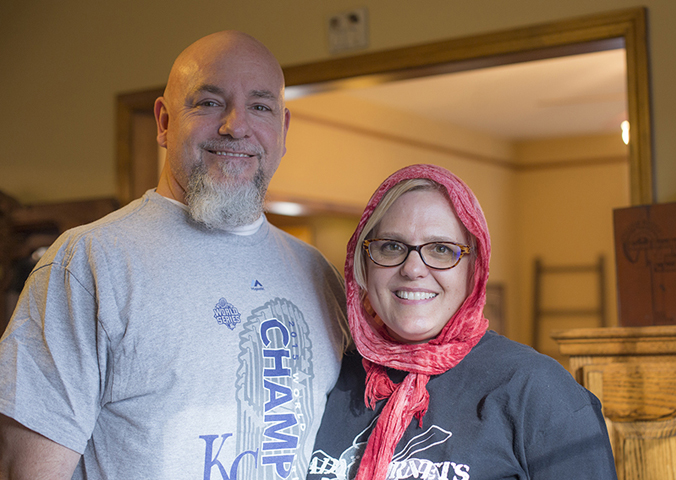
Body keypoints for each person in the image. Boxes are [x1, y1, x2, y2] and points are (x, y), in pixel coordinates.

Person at [0, 31, 349, 479]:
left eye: (260, 106)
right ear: (164, 122)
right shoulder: (89, 263)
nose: (235, 126)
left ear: (282, 131)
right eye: (208, 103)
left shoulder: (316, 273)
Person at [307, 164, 617, 480]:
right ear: (364, 261)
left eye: (441, 249)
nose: (413, 268)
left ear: (475, 269)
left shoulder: (537, 391)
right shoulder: (328, 377)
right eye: (391, 246)